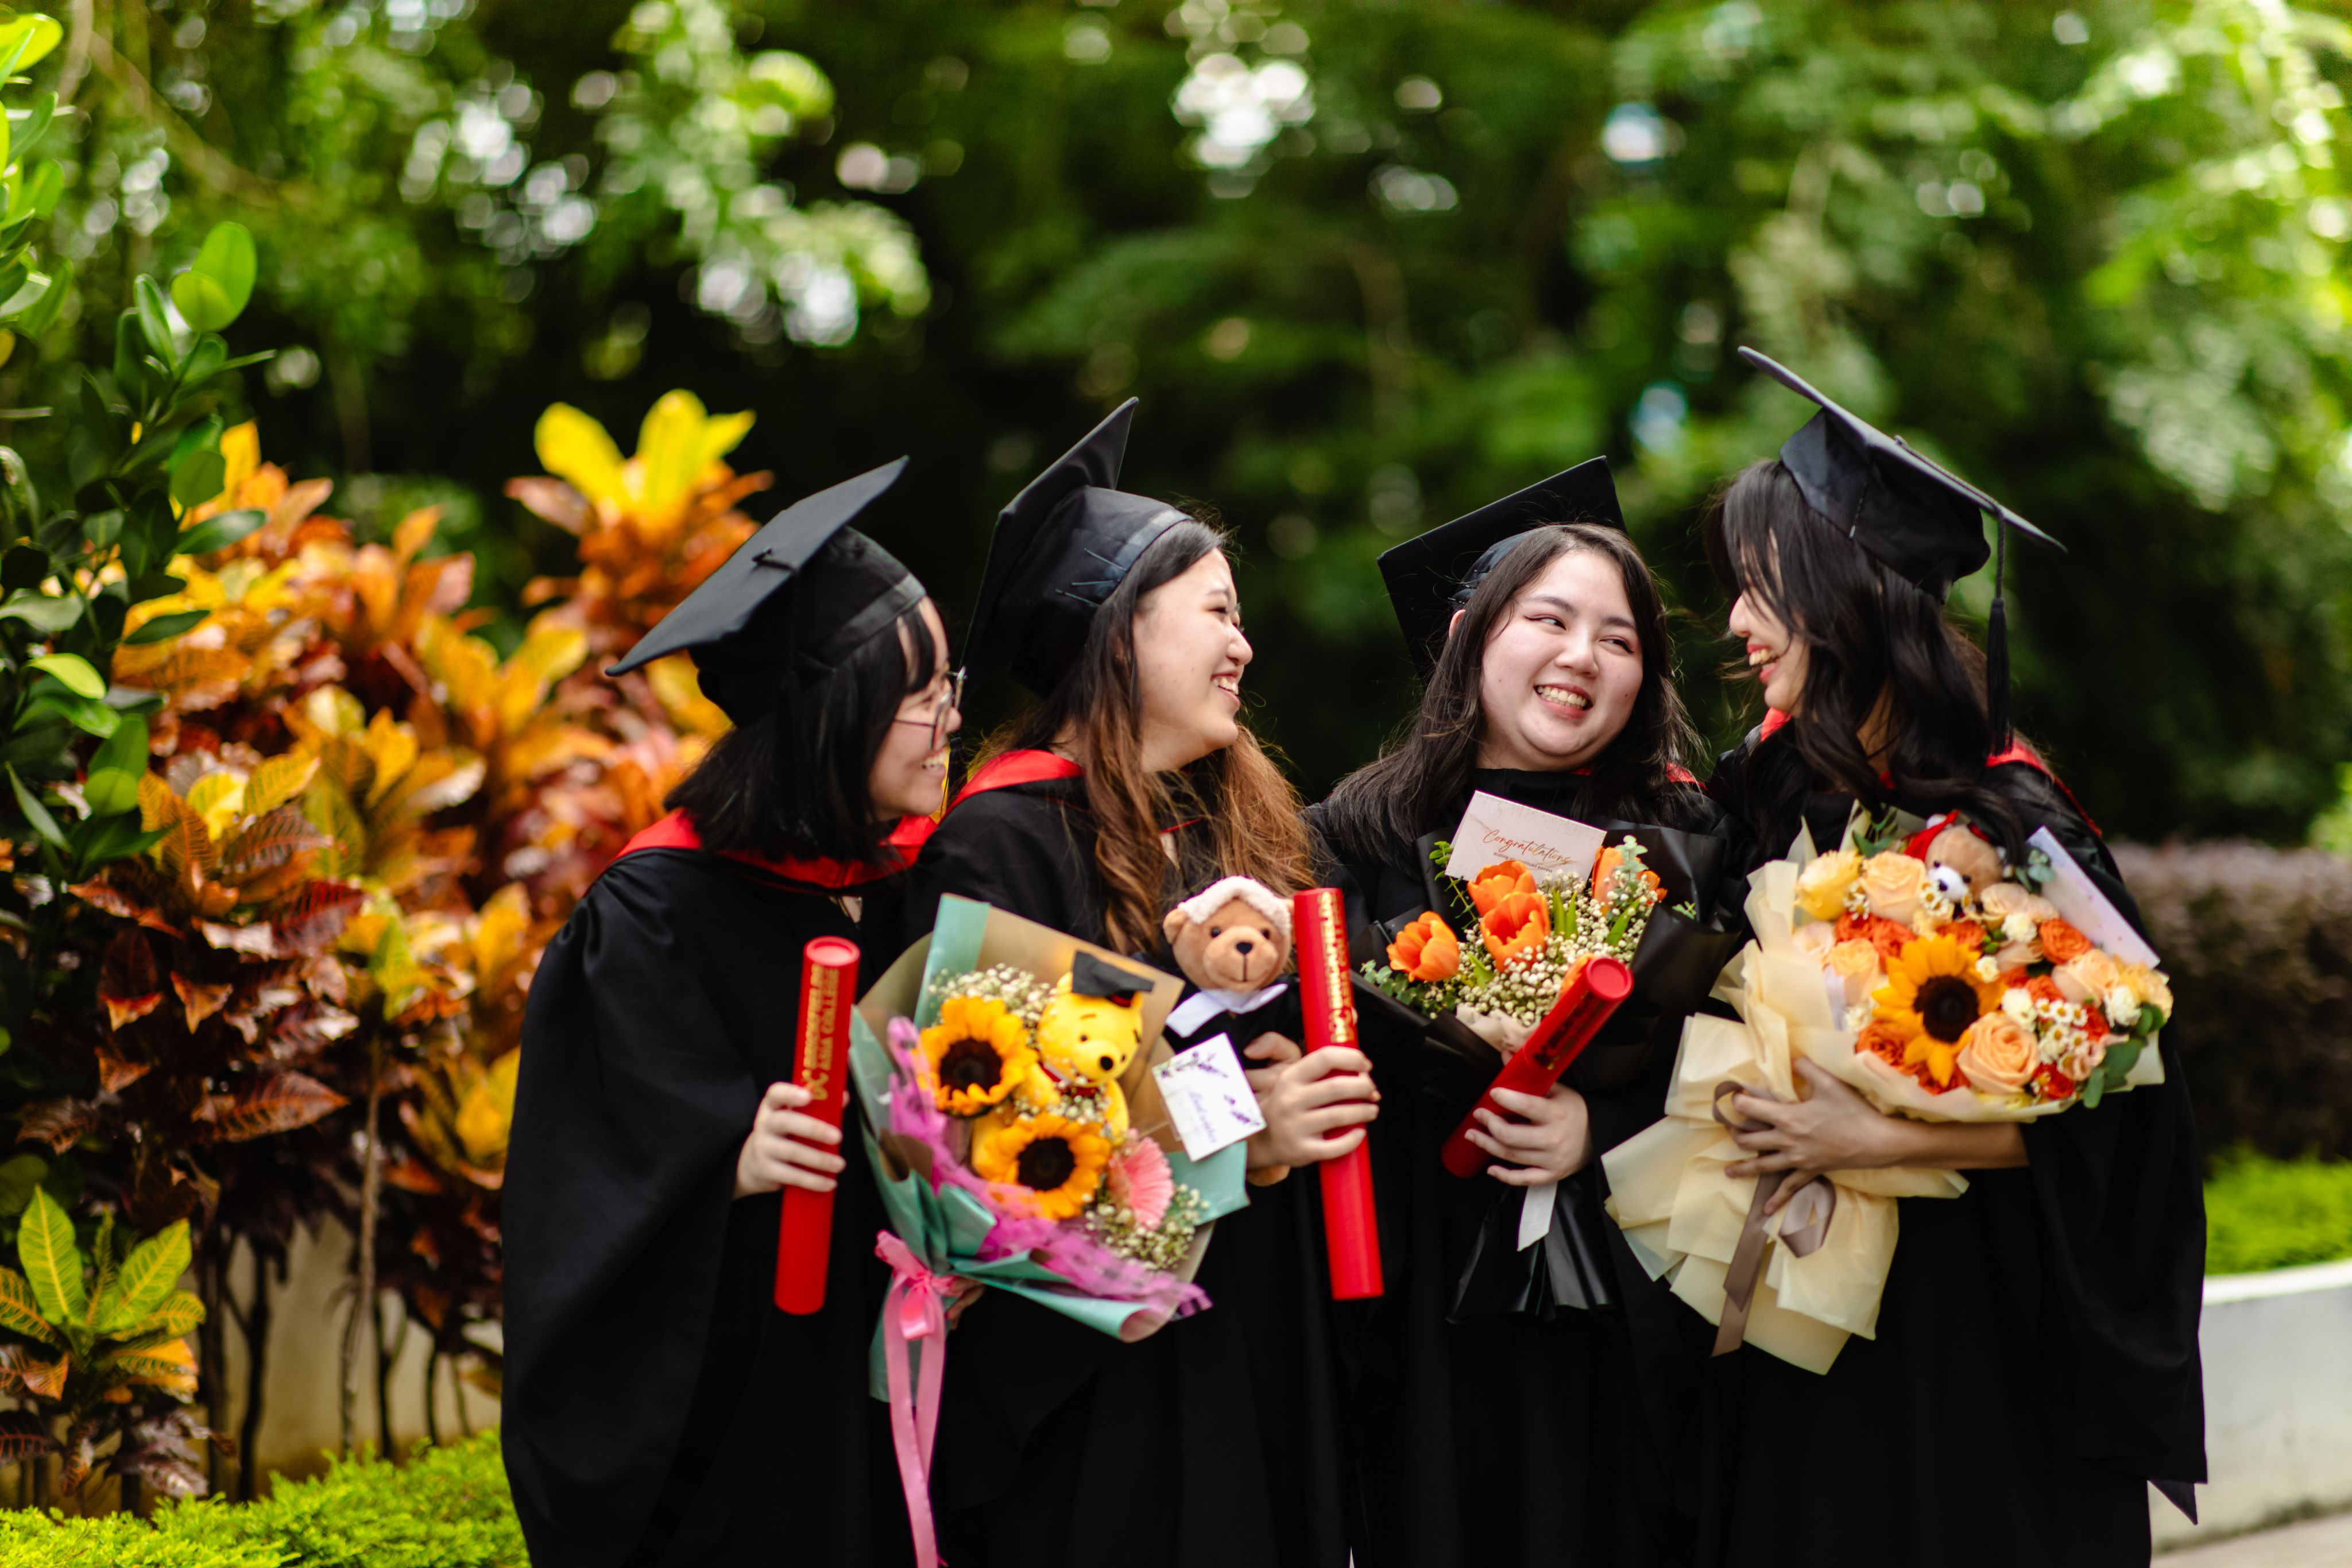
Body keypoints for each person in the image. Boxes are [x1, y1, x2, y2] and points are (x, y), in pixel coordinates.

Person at [1691, 350, 2205, 1567]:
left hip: (1979, 1335)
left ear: (1835, 595)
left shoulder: (2007, 819)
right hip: (1800, 1328)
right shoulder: (1758, 802)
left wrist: (1877, 1139)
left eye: (1756, 585)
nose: (1733, 622)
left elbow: (2128, 1108)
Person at [892, 400, 1373, 1568]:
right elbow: (993, 1165)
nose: (1243, 646)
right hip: (1092, 1404)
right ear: (1119, 635)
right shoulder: (999, 843)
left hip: (1245, 1355)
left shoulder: (1219, 838)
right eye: (1217, 610)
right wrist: (1243, 1139)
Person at [503, 460, 963, 1568]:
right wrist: (722, 1161)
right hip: (753, 1426)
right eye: (924, 692)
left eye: (955, 680)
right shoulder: (655, 913)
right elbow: (576, 1192)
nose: (953, 715)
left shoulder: (921, 881)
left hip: (911, 1383)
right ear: (830, 717)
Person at [1311, 460, 1739, 1568]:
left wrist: (1601, 1133)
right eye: (1548, 619)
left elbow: (1742, 1067)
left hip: (1626, 1318)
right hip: (1425, 1310)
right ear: (1468, 636)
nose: (1581, 657)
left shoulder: (1687, 845)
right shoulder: (1350, 839)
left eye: (1619, 638)